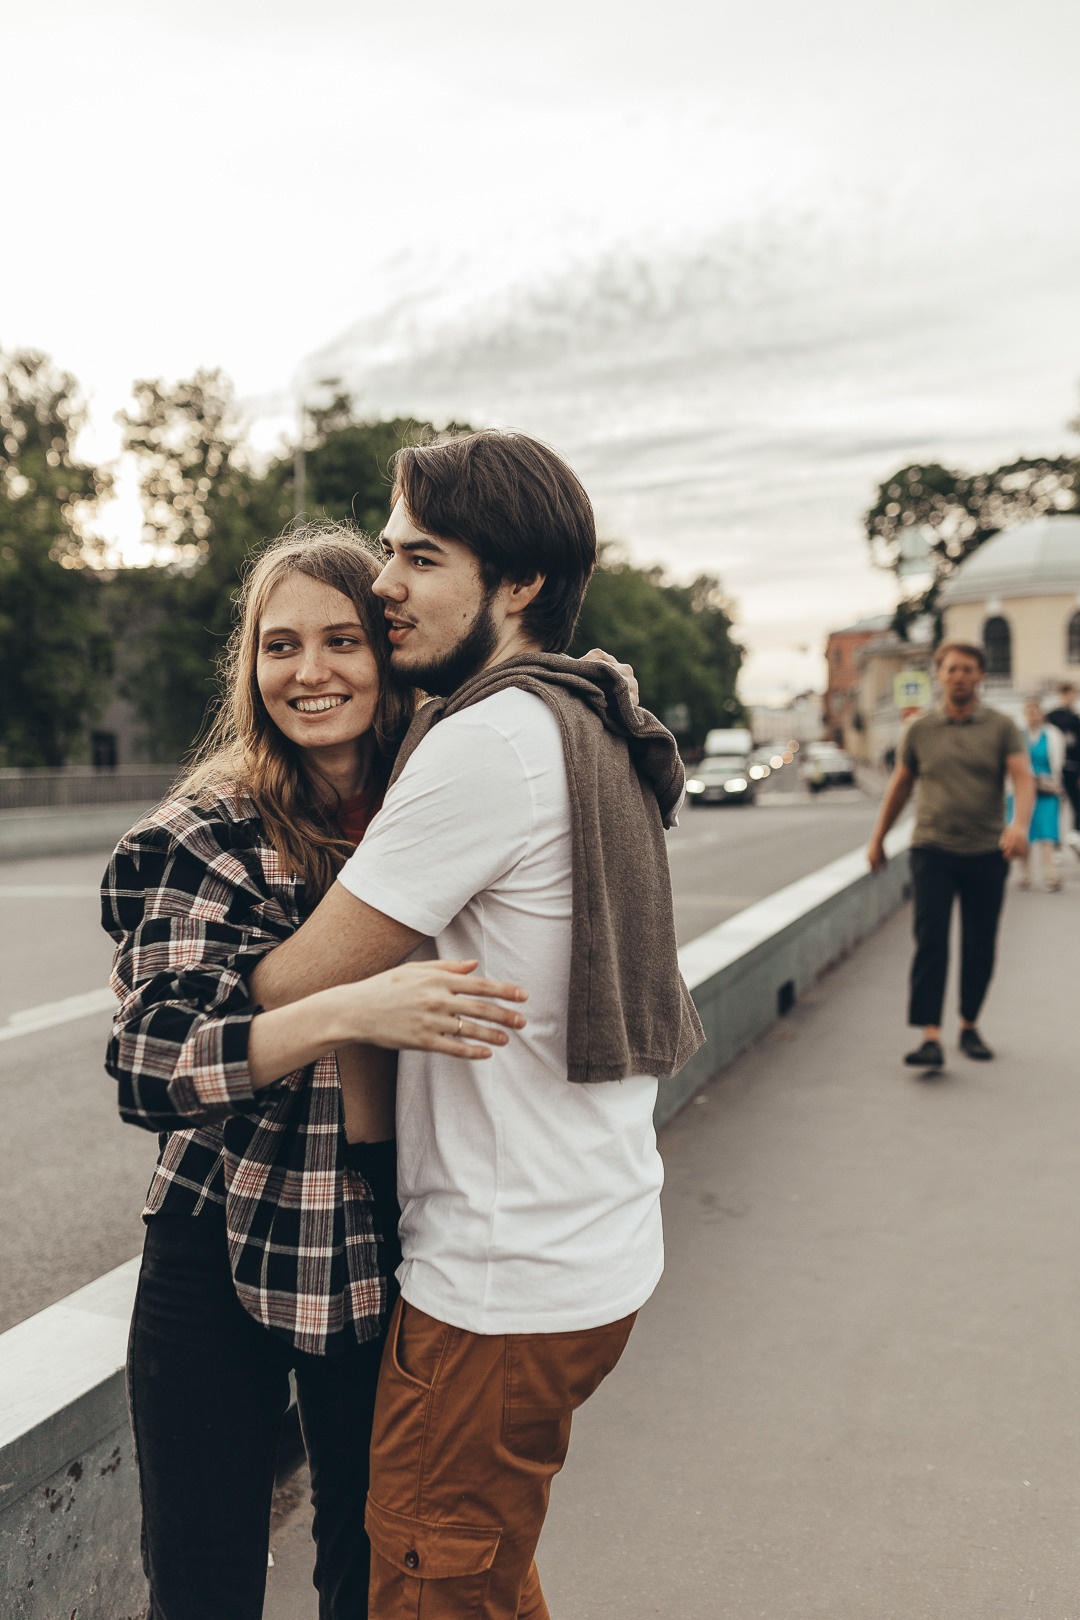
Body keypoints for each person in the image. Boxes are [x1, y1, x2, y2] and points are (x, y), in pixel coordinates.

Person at [249, 429, 703, 1619]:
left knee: (430, 1583)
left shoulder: (489, 741)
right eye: (389, 552)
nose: (383, 583)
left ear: (517, 585)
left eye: (420, 558)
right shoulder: (580, 719)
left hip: (502, 1280)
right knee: (481, 1571)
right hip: (588, 1245)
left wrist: (187, 957)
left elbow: (292, 984)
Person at [102, 528, 530, 1620]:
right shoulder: (209, 828)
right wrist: (349, 1006)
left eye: (343, 639)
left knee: (378, 1572)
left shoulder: (449, 807)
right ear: (250, 670)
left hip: (398, 1236)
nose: (311, 672)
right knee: (201, 1590)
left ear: (390, 654)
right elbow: (150, 1065)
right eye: (279, 647)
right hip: (223, 1230)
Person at [867, 640, 1034, 1071]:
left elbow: (1023, 778)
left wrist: (1018, 825)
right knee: (931, 940)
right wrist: (878, 838)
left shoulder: (1001, 727)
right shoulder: (920, 729)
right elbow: (901, 786)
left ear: (980, 676)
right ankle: (930, 1037)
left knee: (980, 942)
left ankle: (969, 1025)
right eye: (952, 669)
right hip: (932, 850)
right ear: (939, 675)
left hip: (986, 851)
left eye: (968, 669)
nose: (959, 676)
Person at [1013, 697, 1064, 891]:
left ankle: (1051, 875)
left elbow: (1057, 763)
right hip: (1022, 790)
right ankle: (1025, 874)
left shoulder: (1052, 735)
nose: (1032, 717)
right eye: (1029, 713)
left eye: (1035, 712)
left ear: (1041, 714)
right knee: (1025, 831)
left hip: (1046, 789)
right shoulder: (1018, 735)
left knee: (1048, 832)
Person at [1044, 680, 1080, 850]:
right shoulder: (1054, 716)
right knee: (1055, 806)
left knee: (1075, 803)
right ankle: (1055, 843)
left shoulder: (1074, 717)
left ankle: (1074, 835)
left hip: (1073, 767)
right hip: (1057, 768)